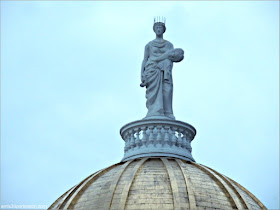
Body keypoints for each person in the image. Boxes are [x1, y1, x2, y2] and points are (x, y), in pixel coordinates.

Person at [140, 20, 184, 120]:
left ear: (163, 30)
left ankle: (167, 112)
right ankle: (154, 111)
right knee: (153, 92)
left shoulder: (169, 45)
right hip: (151, 70)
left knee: (166, 90)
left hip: (165, 71)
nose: (159, 29)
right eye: (157, 28)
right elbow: (144, 60)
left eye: (160, 28)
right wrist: (142, 74)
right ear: (154, 30)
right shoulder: (149, 45)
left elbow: (172, 58)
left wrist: (164, 62)